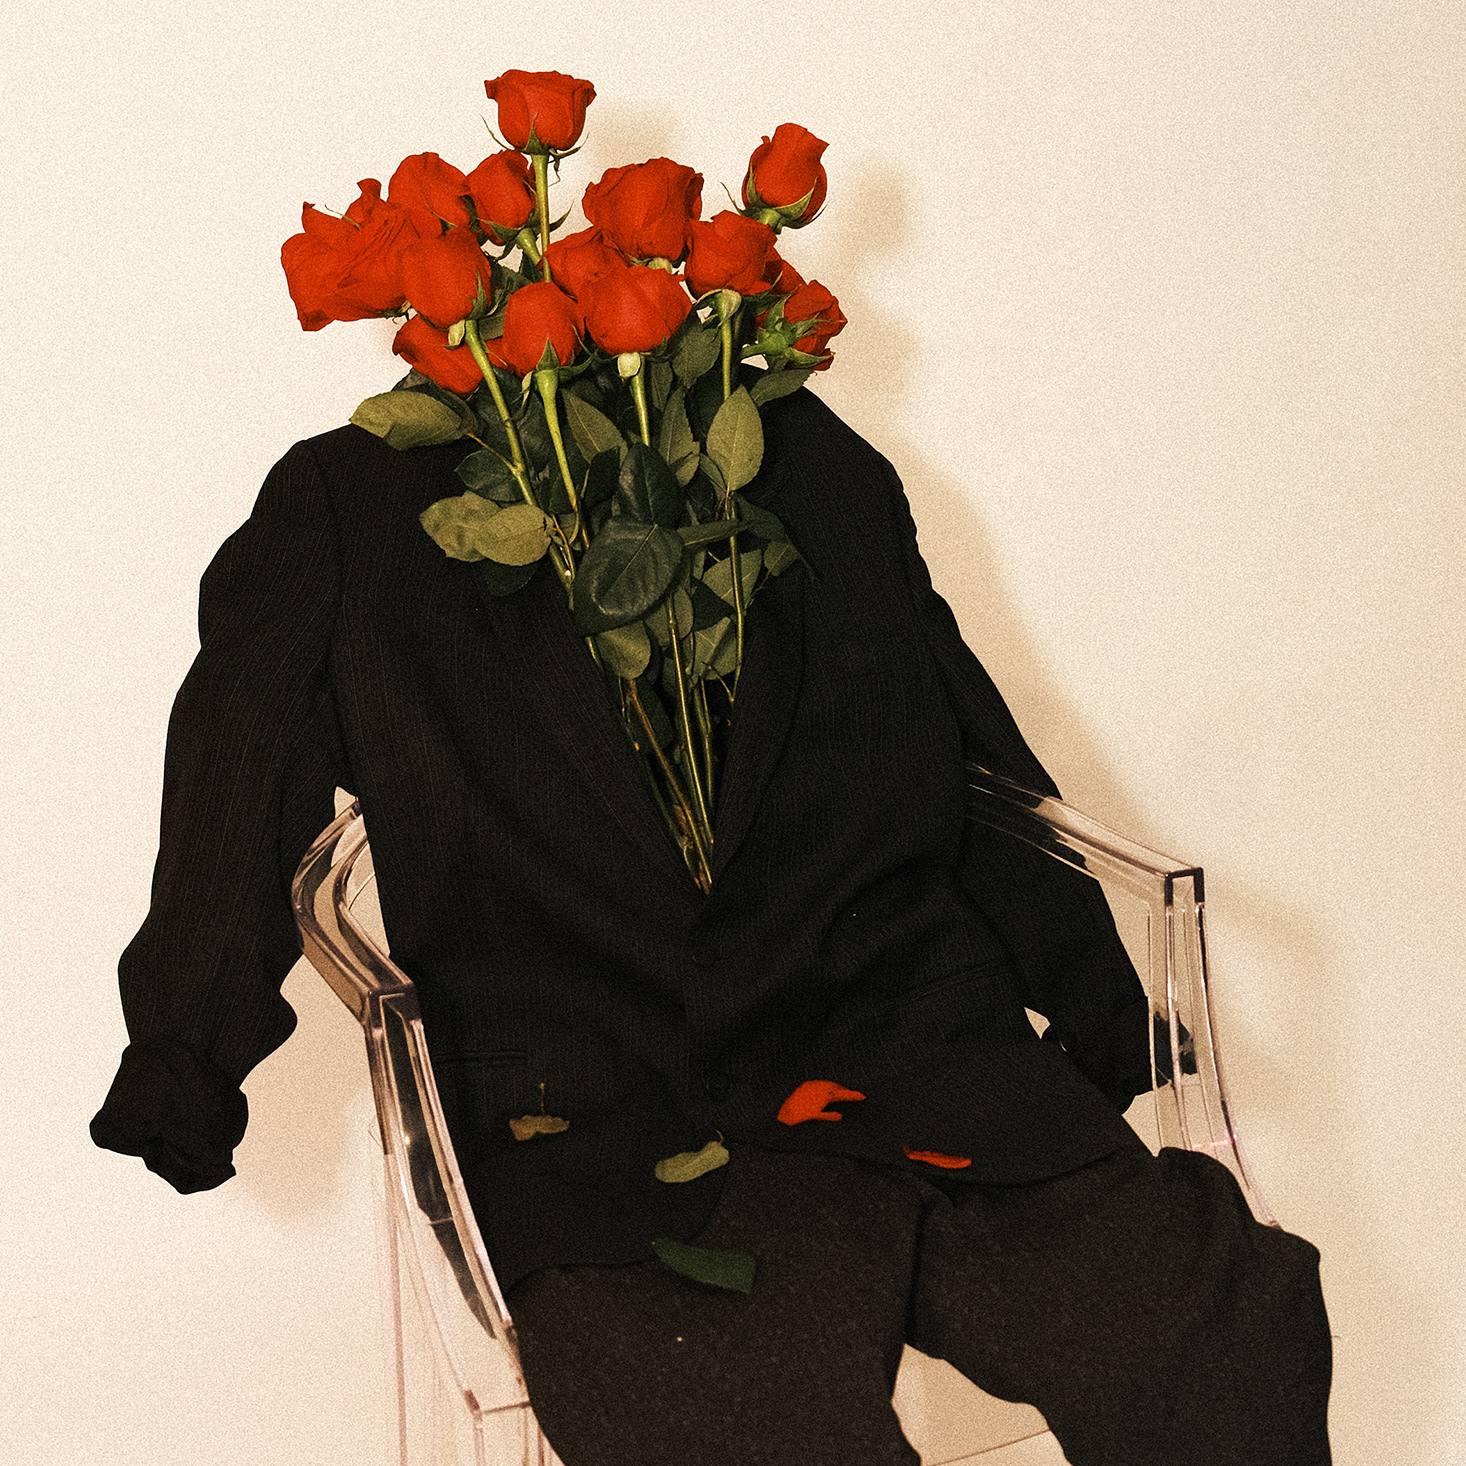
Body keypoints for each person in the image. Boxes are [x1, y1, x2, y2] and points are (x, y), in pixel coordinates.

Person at [91, 380, 1332, 1464]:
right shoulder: (344, 503)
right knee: (743, 1426)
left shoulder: (796, 446)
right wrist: (184, 1054)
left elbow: (956, 731)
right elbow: (238, 774)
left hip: (912, 1053)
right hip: (593, 1126)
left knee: (1214, 1329)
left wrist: (1097, 998)